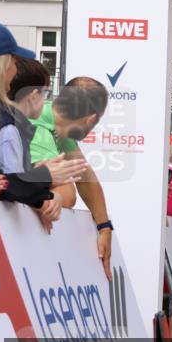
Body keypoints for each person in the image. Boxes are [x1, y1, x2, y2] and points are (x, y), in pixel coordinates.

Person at [0, 33, 85, 227]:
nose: (14, 69)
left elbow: (2, 183)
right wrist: (43, 181)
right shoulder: (6, 124)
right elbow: (6, 185)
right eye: (12, 62)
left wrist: (40, 194)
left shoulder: (3, 118)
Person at [29, 75, 114, 278]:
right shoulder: (39, 128)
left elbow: (85, 177)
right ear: (90, 119)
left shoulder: (58, 121)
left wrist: (104, 228)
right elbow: (66, 195)